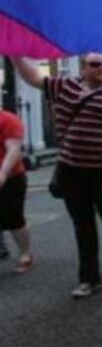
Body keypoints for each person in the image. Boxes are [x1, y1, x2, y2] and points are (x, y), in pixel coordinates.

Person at [13, 55, 102, 298]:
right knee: (83, 224)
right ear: (84, 68)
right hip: (71, 169)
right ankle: (89, 279)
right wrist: (14, 55)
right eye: (95, 64)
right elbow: (33, 77)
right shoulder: (65, 86)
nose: (101, 68)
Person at [0, 109, 34, 273]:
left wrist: (3, 172)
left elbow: (14, 149)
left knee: (15, 220)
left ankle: (25, 254)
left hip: (11, 178)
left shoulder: (8, 120)